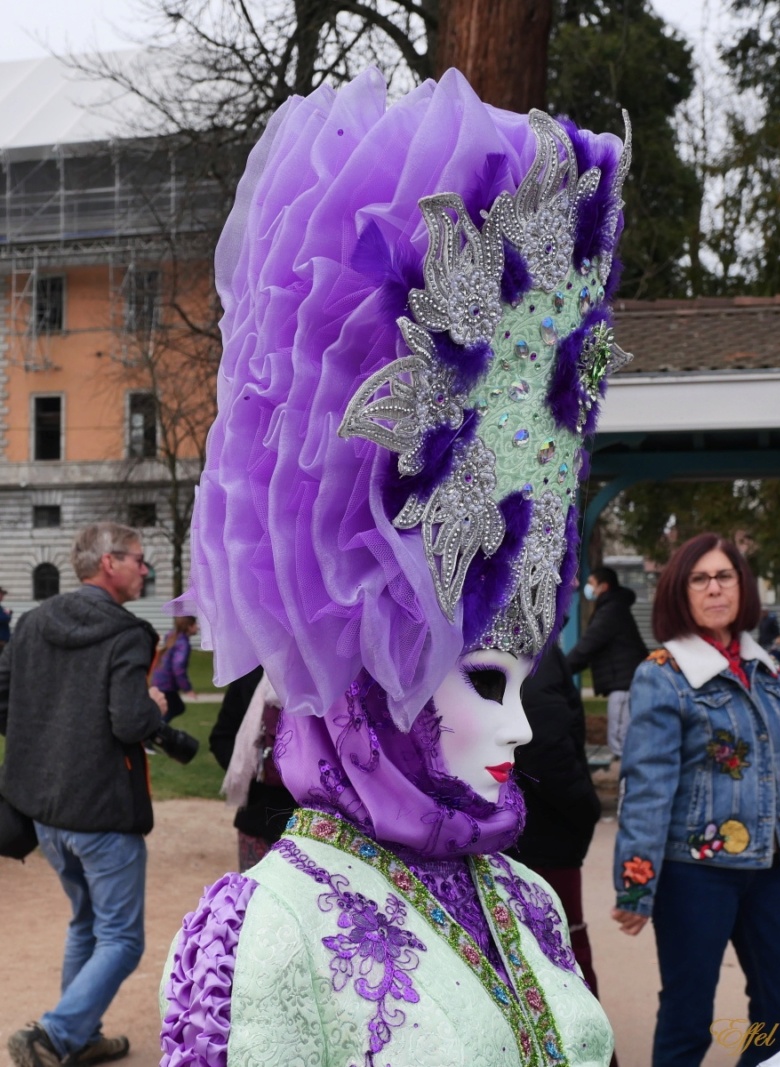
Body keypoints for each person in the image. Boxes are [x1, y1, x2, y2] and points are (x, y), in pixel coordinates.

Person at [160, 68, 633, 1066]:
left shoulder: (522, 895)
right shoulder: (264, 931)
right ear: (384, 689)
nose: (518, 723)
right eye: (486, 682)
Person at [612, 532, 780, 1067]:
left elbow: (777, 769)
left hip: (771, 868)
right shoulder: (662, 676)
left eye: (725, 576)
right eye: (700, 578)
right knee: (688, 1018)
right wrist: (636, 885)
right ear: (680, 590)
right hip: (694, 873)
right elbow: (648, 785)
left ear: (743, 586)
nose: (714, 588)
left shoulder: (767, 671)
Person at [0, 522, 167, 1067]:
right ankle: (52, 1036)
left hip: (45, 812)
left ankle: (80, 1035)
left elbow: (4, 697)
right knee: (122, 940)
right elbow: (129, 720)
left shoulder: (30, 622)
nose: (146, 569)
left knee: (87, 923)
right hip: (101, 813)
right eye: (139, 559)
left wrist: (45, 741)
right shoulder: (128, 633)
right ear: (108, 563)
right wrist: (158, 708)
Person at [510, 644, 620, 1065]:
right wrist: (584, 806)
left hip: (539, 829)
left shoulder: (542, 643)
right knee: (560, 961)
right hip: (539, 834)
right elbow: (543, 736)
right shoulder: (529, 637)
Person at [209, 666, 296, 869]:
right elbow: (222, 736)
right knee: (253, 898)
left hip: (317, 826)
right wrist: (253, 769)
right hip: (259, 817)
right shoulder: (252, 673)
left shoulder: (326, 676)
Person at [566, 565, 648, 759]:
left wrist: (559, 669)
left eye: (591, 584)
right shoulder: (613, 606)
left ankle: (627, 784)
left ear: (604, 587)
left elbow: (588, 646)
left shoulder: (610, 610)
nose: (587, 588)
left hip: (625, 686)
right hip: (626, 682)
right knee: (623, 739)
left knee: (621, 741)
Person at [151, 615, 198, 723]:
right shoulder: (182, 644)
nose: (198, 627)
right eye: (195, 624)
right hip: (166, 684)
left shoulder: (173, 637)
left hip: (159, 680)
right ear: (189, 627)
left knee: (176, 707)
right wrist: (187, 689)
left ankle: (156, 730)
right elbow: (178, 667)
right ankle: (155, 731)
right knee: (174, 708)